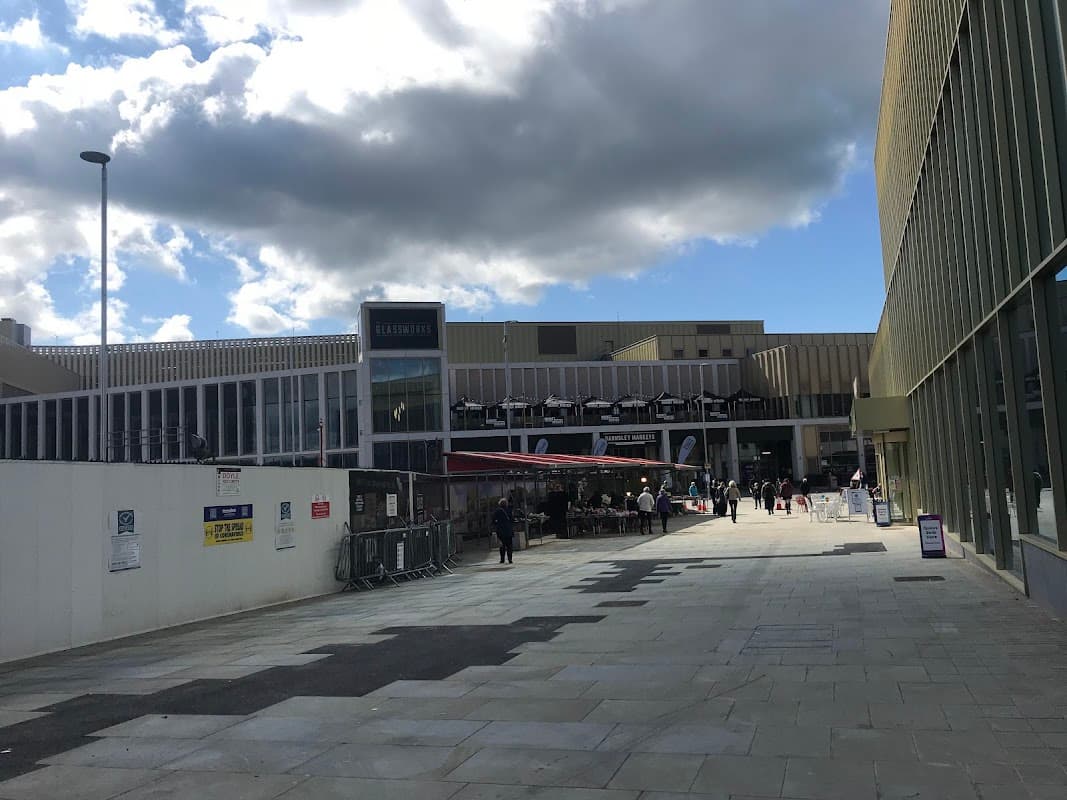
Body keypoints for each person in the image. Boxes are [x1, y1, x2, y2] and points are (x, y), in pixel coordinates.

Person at [492, 497, 514, 564]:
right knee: (509, 546)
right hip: (508, 530)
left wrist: (498, 523)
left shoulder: (497, 511)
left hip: (500, 531)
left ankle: (502, 560)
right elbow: (512, 519)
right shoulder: (509, 510)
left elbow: (493, 520)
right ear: (506, 504)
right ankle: (510, 559)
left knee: (502, 545)